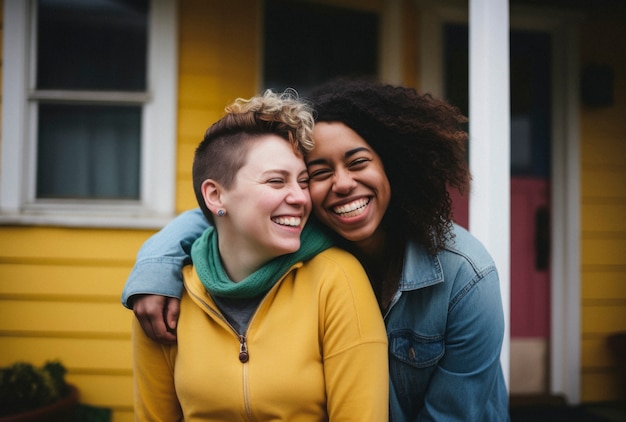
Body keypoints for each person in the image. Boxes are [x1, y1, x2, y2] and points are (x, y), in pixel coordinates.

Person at [123, 80, 509, 421]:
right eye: (318, 173)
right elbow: (221, 217)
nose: (342, 185)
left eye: (358, 162)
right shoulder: (305, 226)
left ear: (392, 166)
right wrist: (156, 264)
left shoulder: (467, 276)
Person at [130, 89, 389, 421]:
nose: (300, 197)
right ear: (215, 195)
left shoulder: (337, 278)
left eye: (304, 181)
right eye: (276, 181)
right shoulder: (164, 298)